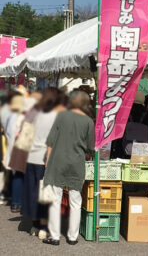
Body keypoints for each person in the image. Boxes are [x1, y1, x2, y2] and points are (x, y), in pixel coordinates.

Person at [43, 90, 94, 246]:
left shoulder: (61, 116)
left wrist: (47, 160)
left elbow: (51, 140)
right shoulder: (88, 121)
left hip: (58, 161)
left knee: (55, 199)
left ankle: (55, 236)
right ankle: (72, 237)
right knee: (75, 201)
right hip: (76, 163)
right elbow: (91, 148)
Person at [21, 88, 67, 239]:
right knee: (44, 194)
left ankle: (34, 224)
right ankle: (43, 226)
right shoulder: (55, 116)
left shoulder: (33, 113)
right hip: (45, 159)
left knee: (32, 191)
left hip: (30, 157)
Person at [111, 91, 148, 159]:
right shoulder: (147, 117)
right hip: (142, 154)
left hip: (123, 153)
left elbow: (116, 134)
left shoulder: (124, 113)